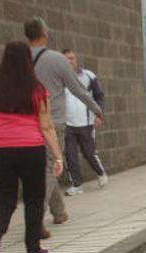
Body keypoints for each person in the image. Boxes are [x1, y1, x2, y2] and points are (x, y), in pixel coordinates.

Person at [0, 41, 65, 253]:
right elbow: (46, 126)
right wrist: (58, 156)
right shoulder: (36, 88)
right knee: (34, 198)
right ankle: (33, 248)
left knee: (3, 197)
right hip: (30, 149)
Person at [24, 16, 104, 238]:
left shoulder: (19, 59)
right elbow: (78, 88)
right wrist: (95, 108)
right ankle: (35, 219)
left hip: (25, 122)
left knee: (43, 167)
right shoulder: (56, 59)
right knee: (52, 165)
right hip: (53, 120)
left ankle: (59, 212)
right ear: (44, 33)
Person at [62, 48, 108, 196]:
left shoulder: (88, 76)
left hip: (86, 122)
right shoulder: (59, 78)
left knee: (89, 152)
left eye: (72, 58)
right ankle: (76, 184)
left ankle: (101, 173)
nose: (70, 61)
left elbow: (99, 96)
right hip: (68, 123)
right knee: (70, 154)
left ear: (76, 60)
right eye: (66, 59)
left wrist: (99, 114)